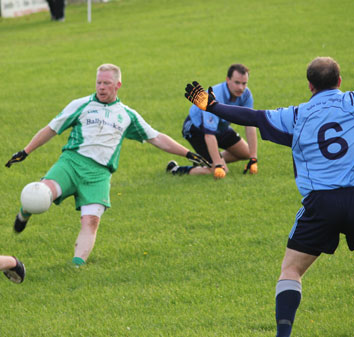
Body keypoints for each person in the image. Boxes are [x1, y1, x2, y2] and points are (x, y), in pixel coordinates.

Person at [184, 12, 354, 335]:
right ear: (339, 81)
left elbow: (251, 116)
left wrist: (211, 106)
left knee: (291, 269)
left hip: (319, 205)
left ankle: (283, 334)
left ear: (309, 85)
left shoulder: (295, 116)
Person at [5, 63, 208, 267]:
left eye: (106, 83)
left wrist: (188, 153)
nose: (101, 87)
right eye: (99, 82)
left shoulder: (127, 115)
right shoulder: (80, 105)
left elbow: (157, 137)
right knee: (41, 194)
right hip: (71, 164)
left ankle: (76, 267)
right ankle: (24, 213)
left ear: (118, 85)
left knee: (91, 221)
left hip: (99, 175)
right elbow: (51, 128)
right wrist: (26, 151)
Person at [167, 64, 258, 179]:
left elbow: (250, 125)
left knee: (246, 153)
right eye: (237, 83)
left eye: (244, 83)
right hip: (196, 130)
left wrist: (253, 158)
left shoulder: (246, 95)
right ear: (227, 80)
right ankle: (175, 169)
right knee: (220, 170)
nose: (241, 87)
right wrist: (218, 165)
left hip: (220, 128)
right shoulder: (214, 96)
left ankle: (205, 161)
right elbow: (209, 134)